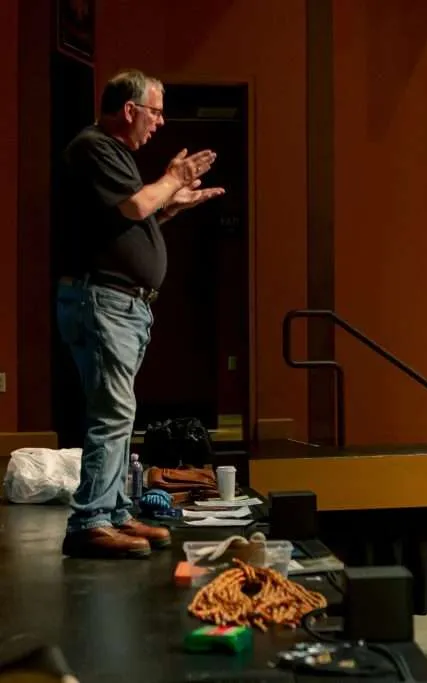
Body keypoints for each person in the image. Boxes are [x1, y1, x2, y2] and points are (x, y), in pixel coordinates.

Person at [55, 70, 225, 559]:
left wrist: (172, 203)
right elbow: (134, 209)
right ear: (129, 109)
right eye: (155, 111)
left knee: (117, 411)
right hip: (103, 300)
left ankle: (112, 511)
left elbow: (129, 221)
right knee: (113, 412)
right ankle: (90, 519)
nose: (160, 121)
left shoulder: (113, 156)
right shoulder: (95, 148)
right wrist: (173, 180)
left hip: (121, 303)